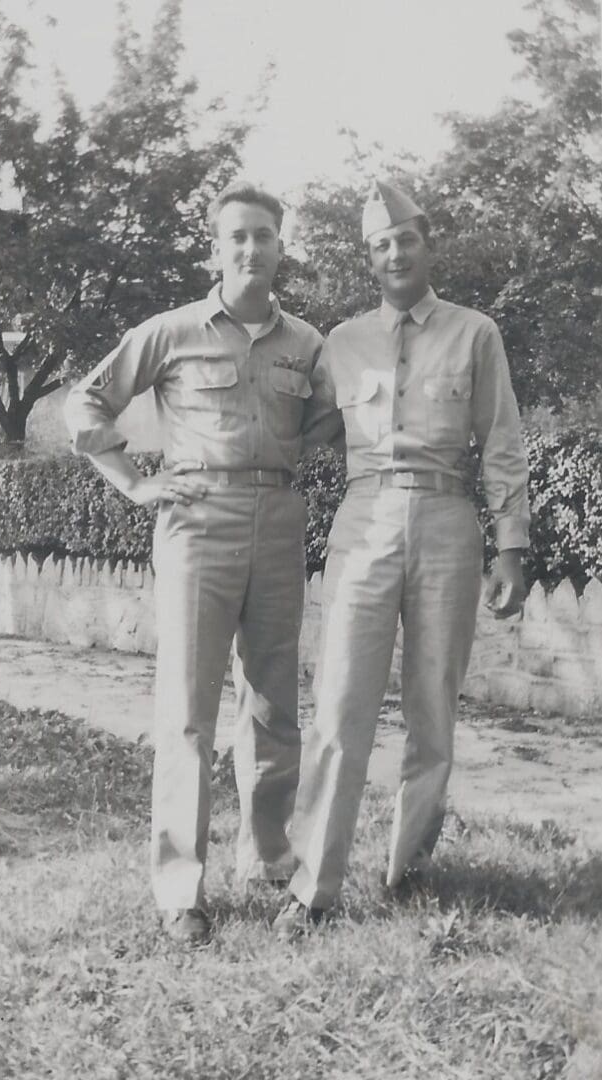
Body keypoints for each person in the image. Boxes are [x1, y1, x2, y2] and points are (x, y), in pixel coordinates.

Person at [65, 181, 324, 944]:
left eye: (264, 236)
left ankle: (269, 858)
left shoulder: (307, 344)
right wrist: (134, 481)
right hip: (195, 523)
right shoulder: (170, 331)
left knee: (274, 702)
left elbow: (332, 425)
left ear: (281, 247)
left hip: (278, 520)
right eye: (236, 236)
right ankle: (180, 889)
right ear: (217, 248)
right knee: (186, 712)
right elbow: (84, 403)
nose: (250, 249)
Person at [274, 179, 530, 938]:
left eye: (405, 239)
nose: (394, 253)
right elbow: (303, 425)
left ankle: (406, 870)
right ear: (369, 256)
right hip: (363, 517)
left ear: (426, 242)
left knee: (431, 708)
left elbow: (503, 438)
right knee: (339, 705)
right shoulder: (341, 341)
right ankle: (313, 886)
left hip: (449, 518)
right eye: (380, 245)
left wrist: (510, 544)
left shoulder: (474, 332)